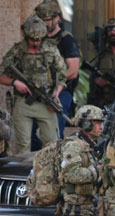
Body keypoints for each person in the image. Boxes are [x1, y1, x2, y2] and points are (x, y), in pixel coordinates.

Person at [0, 15, 66, 155]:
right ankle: (22, 175)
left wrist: (56, 92)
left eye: (39, 39)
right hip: (23, 103)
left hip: (46, 101)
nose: (36, 43)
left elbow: (62, 74)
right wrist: (14, 82)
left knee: (52, 144)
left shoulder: (51, 50)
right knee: (23, 144)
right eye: (32, 39)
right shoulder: (18, 51)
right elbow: (1, 74)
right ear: (26, 35)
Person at [31, 0, 81, 147]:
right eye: (40, 20)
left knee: (55, 133)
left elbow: (73, 71)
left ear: (57, 18)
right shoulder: (36, 40)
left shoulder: (66, 40)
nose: (44, 24)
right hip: (37, 91)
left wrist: (54, 86)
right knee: (27, 132)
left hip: (61, 92)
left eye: (47, 20)